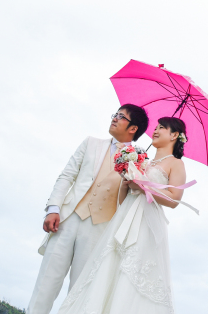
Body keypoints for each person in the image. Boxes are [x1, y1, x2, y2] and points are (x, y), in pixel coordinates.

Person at [57, 116, 190, 314]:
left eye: (161, 128)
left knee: (134, 269)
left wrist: (144, 186)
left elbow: (174, 199)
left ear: (174, 135)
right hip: (124, 217)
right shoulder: (142, 159)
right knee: (109, 265)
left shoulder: (176, 163)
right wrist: (127, 179)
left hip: (146, 222)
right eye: (156, 127)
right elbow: (122, 198)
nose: (155, 130)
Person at [27, 104, 149, 314]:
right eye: (115, 114)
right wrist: (53, 208)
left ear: (133, 128)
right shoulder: (91, 143)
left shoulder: (140, 161)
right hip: (67, 220)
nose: (114, 118)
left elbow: (135, 199)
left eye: (121, 117)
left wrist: (135, 175)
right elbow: (67, 175)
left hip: (101, 229)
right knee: (45, 285)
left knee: (80, 294)